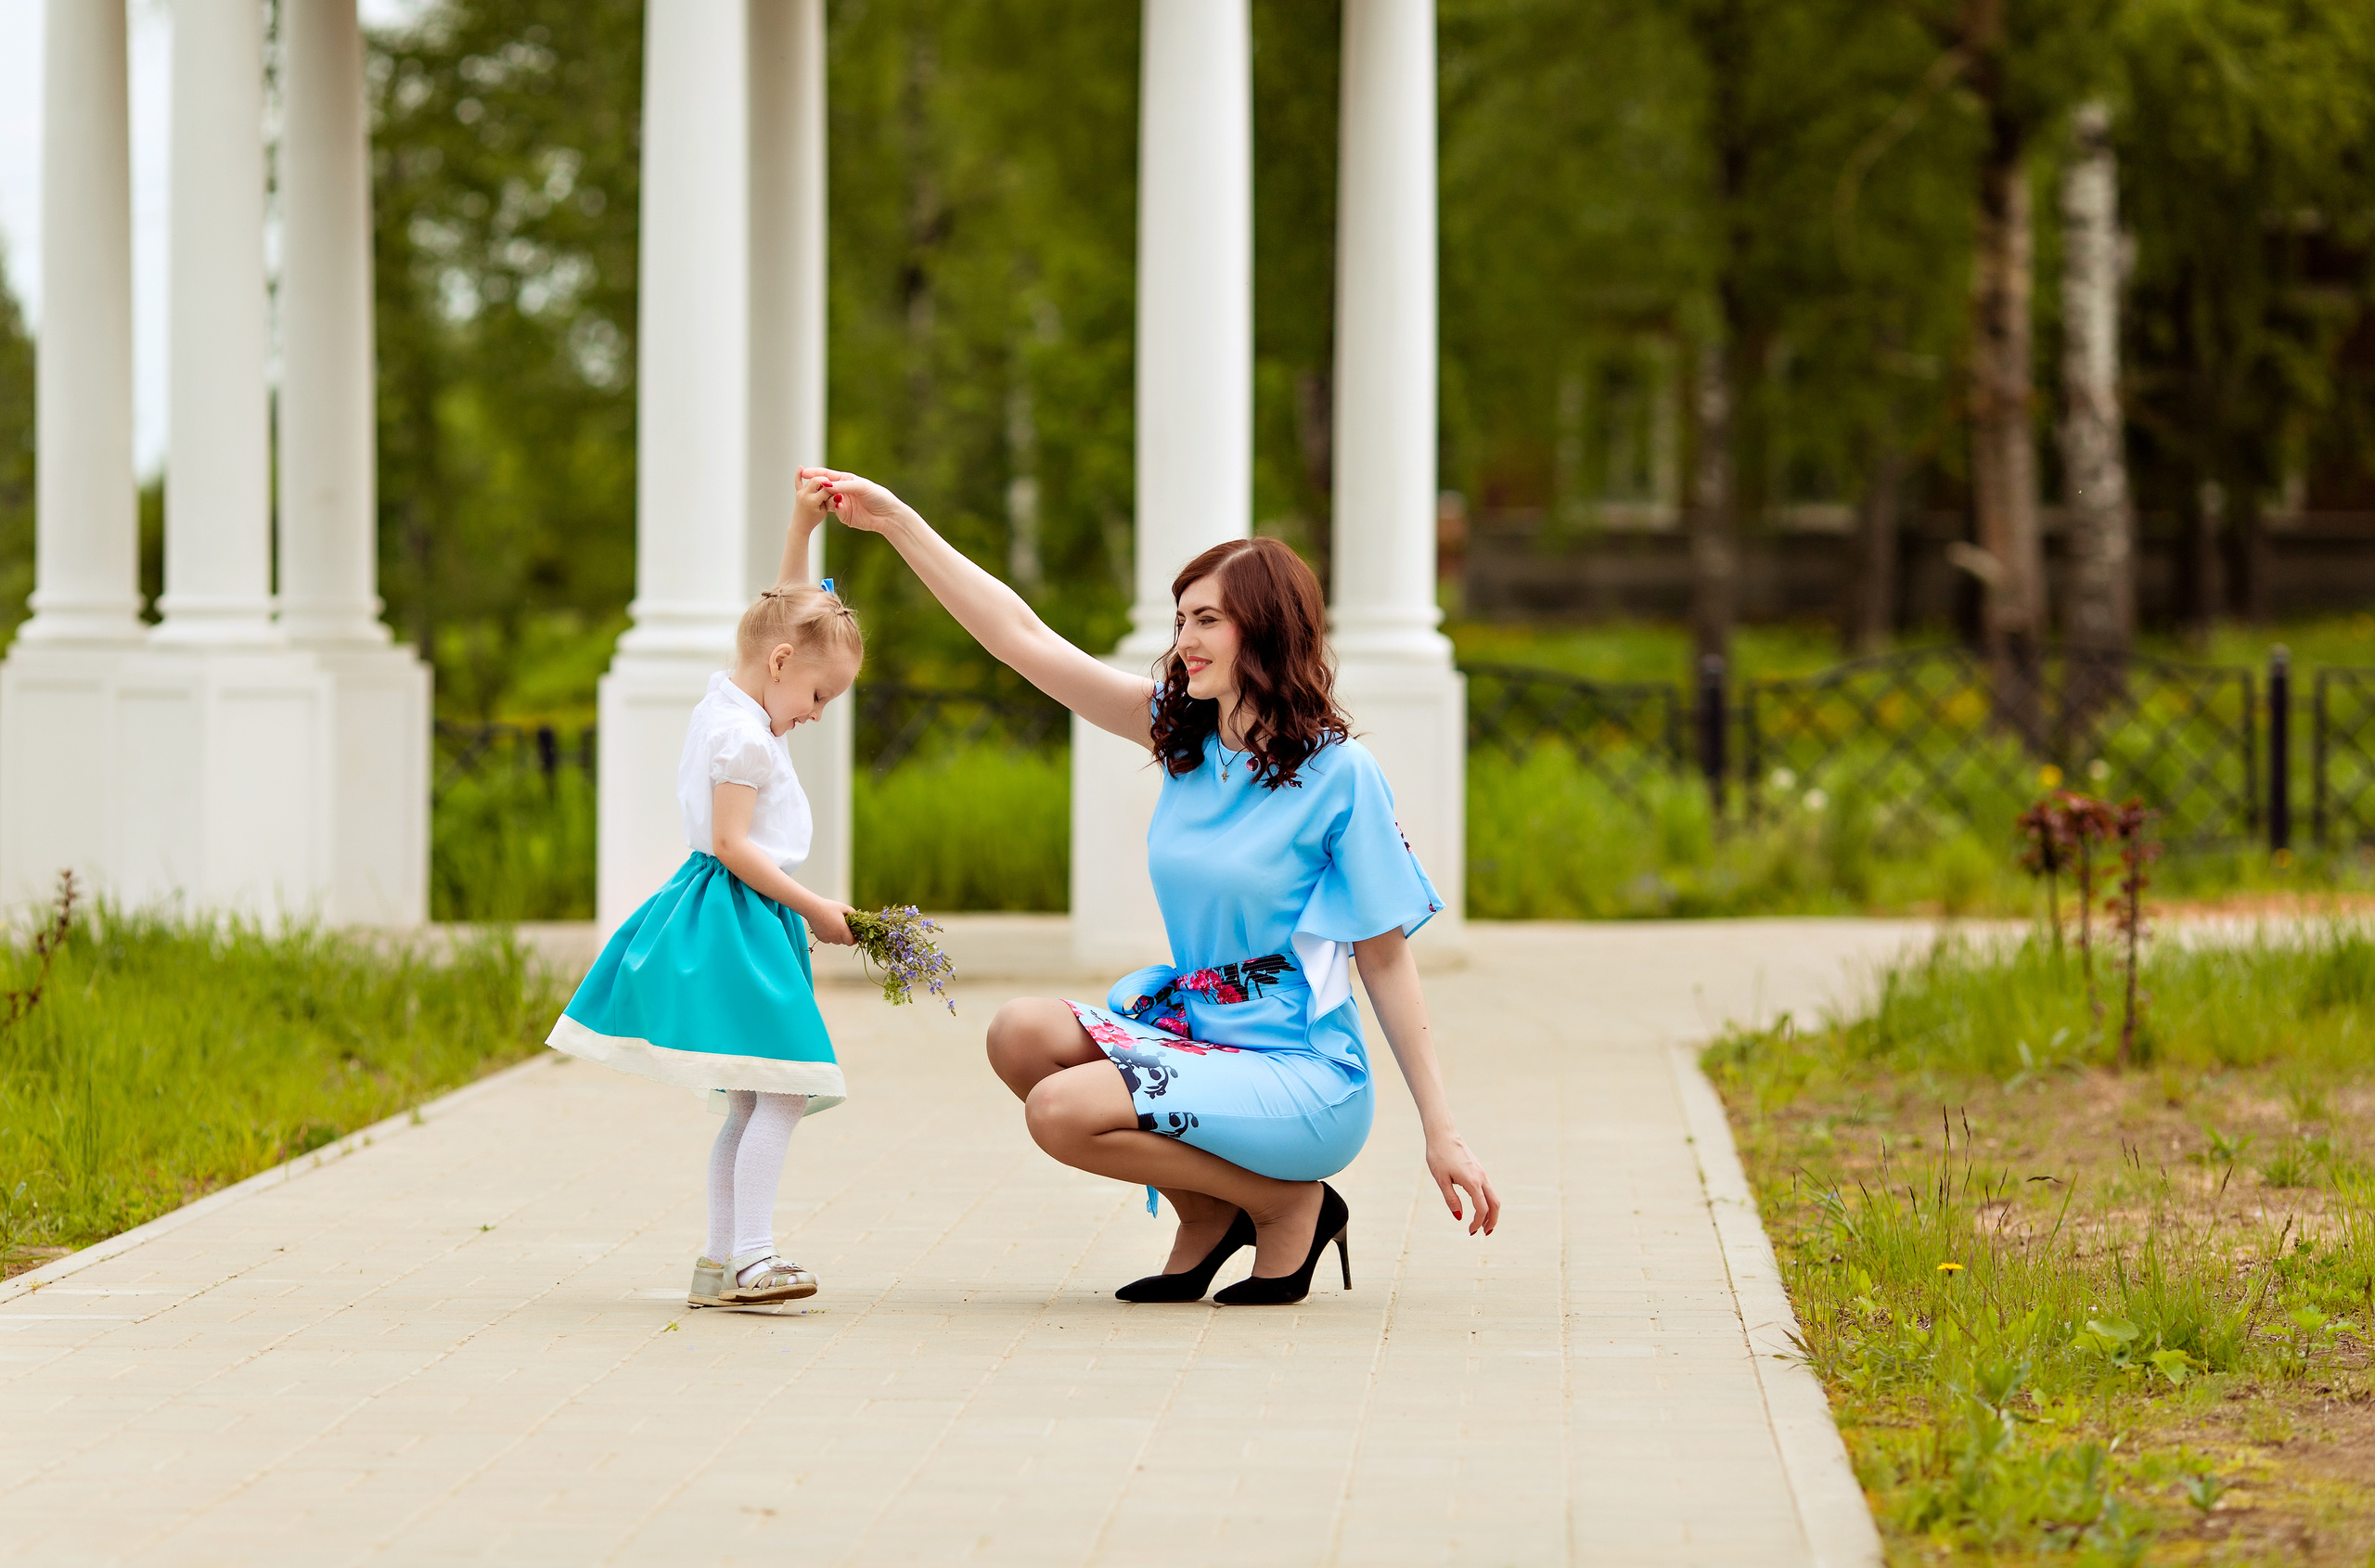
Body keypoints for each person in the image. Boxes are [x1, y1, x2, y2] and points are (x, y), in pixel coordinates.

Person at [810, 467, 1499, 1305]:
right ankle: (1209, 1210)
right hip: (1200, 1042)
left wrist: (1442, 1130)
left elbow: (1384, 961)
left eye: (1207, 620)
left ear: (1269, 631)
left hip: (1302, 1074)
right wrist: (894, 523)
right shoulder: (1181, 738)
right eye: (1181, 622)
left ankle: (1287, 1203)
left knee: (1061, 1110)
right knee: (1018, 1034)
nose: (1185, 642)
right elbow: (1021, 637)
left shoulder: (1342, 776)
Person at [546, 476, 863, 1309]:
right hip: (739, 914)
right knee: (788, 1086)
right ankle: (752, 1257)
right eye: (820, 696)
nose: (820, 713)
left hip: (738, 914)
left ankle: (723, 1261)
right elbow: (730, 844)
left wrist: (801, 523)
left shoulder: (732, 695)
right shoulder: (743, 738)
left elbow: (789, 612)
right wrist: (816, 908)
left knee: (755, 1090)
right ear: (783, 667)